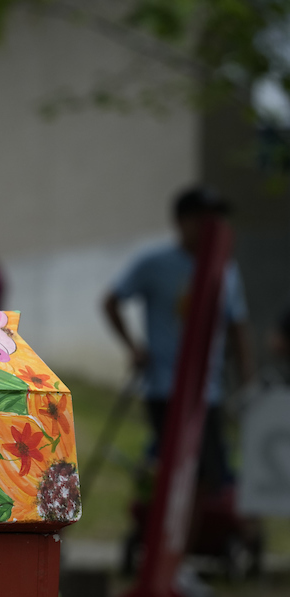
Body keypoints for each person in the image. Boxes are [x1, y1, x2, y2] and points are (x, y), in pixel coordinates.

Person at [103, 185, 256, 490]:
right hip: (165, 386)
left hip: (209, 390)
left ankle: (204, 533)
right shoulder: (155, 263)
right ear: (182, 221)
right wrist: (134, 348)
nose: (211, 227)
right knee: (174, 471)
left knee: (211, 472)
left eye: (216, 220)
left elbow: (237, 326)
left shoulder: (226, 269)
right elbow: (111, 301)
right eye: (203, 219)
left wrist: (248, 383)